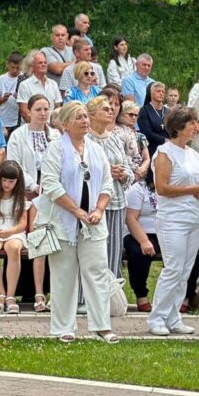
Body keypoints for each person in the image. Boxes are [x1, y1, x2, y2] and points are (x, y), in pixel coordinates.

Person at [39, 102, 119, 344]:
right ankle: (63, 327)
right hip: (63, 220)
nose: (84, 121)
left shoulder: (96, 149)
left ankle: (102, 326)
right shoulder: (56, 149)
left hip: (93, 221)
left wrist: (98, 209)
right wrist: (77, 211)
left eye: (85, 116)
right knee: (64, 274)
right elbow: (50, 184)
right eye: (78, 118)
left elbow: (107, 183)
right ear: (65, 124)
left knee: (97, 272)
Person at [147, 107, 199, 336]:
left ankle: (173, 316)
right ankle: (157, 317)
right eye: (192, 123)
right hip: (172, 219)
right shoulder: (164, 153)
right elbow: (162, 188)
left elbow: (197, 184)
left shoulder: (194, 155)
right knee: (173, 268)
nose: (196, 127)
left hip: (193, 217)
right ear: (179, 126)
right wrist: (192, 189)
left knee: (185, 270)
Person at [6, 94, 58, 312]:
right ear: (28, 111)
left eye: (46, 109)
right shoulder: (19, 135)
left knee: (48, 239)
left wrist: (49, 185)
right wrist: (34, 185)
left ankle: (48, 291)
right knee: (32, 237)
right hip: (27, 191)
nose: (43, 113)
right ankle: (27, 291)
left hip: (50, 192)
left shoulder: (55, 135)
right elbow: (14, 164)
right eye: (38, 109)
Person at [85, 96, 132, 279]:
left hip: (117, 200)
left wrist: (123, 174)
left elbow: (128, 167)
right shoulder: (85, 140)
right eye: (105, 109)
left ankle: (112, 289)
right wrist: (105, 172)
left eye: (112, 108)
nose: (111, 111)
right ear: (92, 114)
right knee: (94, 252)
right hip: (93, 203)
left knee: (114, 250)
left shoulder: (115, 139)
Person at [0, 162, 30, 314]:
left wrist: (10, 232)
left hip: (14, 231)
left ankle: (11, 295)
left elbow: (22, 224)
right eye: (4, 180)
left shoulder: (20, 199)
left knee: (14, 248)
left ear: (17, 182)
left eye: (11, 181)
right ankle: (1, 293)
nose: (7, 184)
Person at [123, 177, 158, 313]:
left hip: (165, 231)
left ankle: (186, 297)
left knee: (195, 254)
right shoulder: (138, 189)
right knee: (139, 252)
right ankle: (141, 294)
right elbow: (130, 218)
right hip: (138, 232)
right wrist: (144, 241)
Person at [17, 52, 62, 121]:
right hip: (32, 125)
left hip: (51, 125)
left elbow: (58, 108)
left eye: (45, 62)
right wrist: (37, 125)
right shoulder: (25, 85)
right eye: (40, 63)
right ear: (33, 66)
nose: (43, 65)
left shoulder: (53, 84)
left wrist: (53, 124)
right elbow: (24, 111)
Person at [0, 52, 24, 133]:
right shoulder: (1, 79)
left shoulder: (24, 79)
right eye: (12, 67)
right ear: (7, 65)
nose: (15, 70)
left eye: (17, 68)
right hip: (4, 120)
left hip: (21, 121)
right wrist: (3, 99)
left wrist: (20, 97)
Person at [137, 81, 169, 157]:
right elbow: (146, 133)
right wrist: (164, 140)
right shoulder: (144, 111)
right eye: (158, 91)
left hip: (169, 148)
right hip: (152, 149)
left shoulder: (169, 112)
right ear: (151, 93)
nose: (161, 93)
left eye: (163, 92)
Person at [41, 25, 74, 89]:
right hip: (54, 89)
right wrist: (75, 63)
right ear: (51, 36)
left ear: (67, 36)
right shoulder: (45, 51)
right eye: (57, 35)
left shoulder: (73, 50)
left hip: (72, 89)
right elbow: (57, 69)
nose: (60, 38)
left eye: (63, 35)